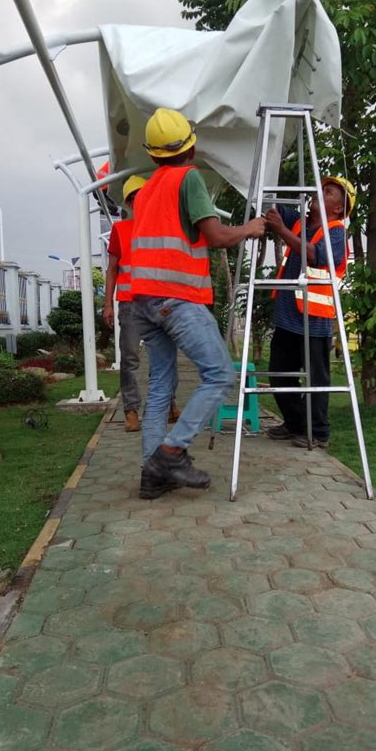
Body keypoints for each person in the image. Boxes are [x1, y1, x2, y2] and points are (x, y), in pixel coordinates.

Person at [130, 107, 266, 499]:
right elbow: (217, 236)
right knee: (220, 375)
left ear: (153, 153)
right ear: (191, 146)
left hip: (145, 302)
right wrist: (251, 228)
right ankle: (171, 454)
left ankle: (151, 474)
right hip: (177, 299)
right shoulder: (188, 179)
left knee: (160, 384)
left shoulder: (147, 189)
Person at [265, 176, 355, 448]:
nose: (319, 193)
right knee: (279, 372)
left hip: (314, 319)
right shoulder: (299, 222)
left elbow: (315, 255)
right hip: (288, 315)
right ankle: (295, 423)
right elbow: (274, 208)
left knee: (316, 379)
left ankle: (318, 432)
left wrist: (281, 230)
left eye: (327, 192)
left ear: (339, 208)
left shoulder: (336, 230)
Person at [103, 175, 181, 432]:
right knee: (131, 359)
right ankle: (131, 411)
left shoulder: (163, 228)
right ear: (127, 203)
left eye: (143, 195)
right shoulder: (120, 230)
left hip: (160, 302)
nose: (139, 201)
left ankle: (168, 404)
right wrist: (107, 304)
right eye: (133, 198)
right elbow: (112, 269)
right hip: (130, 304)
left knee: (165, 356)